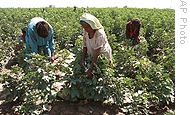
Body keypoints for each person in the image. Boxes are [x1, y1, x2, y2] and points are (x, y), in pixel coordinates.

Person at [79, 13, 112, 78]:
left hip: (102, 54)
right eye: (84, 27)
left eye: (87, 27)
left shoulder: (100, 33)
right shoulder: (86, 31)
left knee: (102, 73)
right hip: (92, 53)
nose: (85, 29)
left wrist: (90, 69)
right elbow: (85, 46)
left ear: (92, 25)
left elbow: (96, 54)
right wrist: (82, 60)